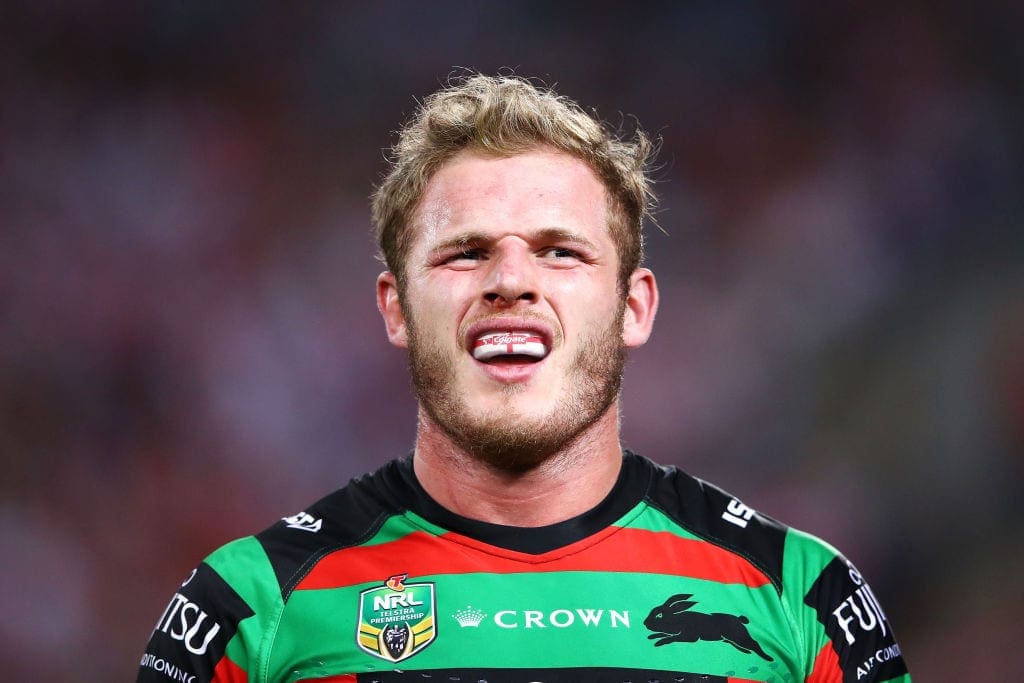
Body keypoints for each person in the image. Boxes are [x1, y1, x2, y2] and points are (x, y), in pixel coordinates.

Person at [137, 74, 910, 683]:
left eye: (560, 251)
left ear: (634, 306)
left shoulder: (802, 596)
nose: (511, 280)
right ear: (396, 308)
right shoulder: (246, 608)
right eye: (466, 252)